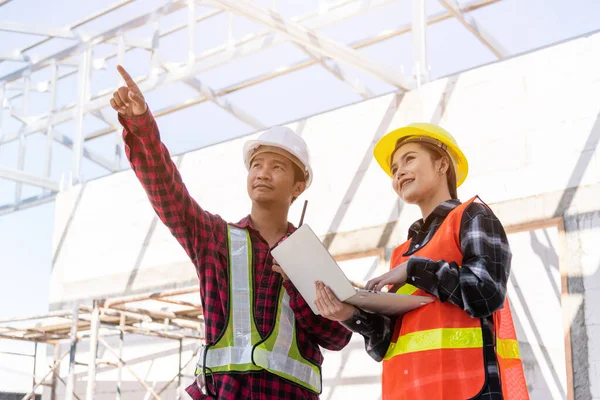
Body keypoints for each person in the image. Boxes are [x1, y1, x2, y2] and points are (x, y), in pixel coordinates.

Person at [110, 65, 352, 399]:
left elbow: (338, 337)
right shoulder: (213, 238)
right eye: (257, 165)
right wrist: (141, 124)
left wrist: (297, 287)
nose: (263, 173)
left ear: (298, 187)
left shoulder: (310, 256)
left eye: (277, 167)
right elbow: (165, 189)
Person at [314, 123, 529, 400]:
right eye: (394, 169)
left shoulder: (472, 216)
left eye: (409, 159)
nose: (399, 172)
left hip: (466, 390)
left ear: (441, 165)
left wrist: (416, 269)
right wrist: (348, 314)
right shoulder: (402, 251)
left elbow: (486, 293)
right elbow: (386, 344)